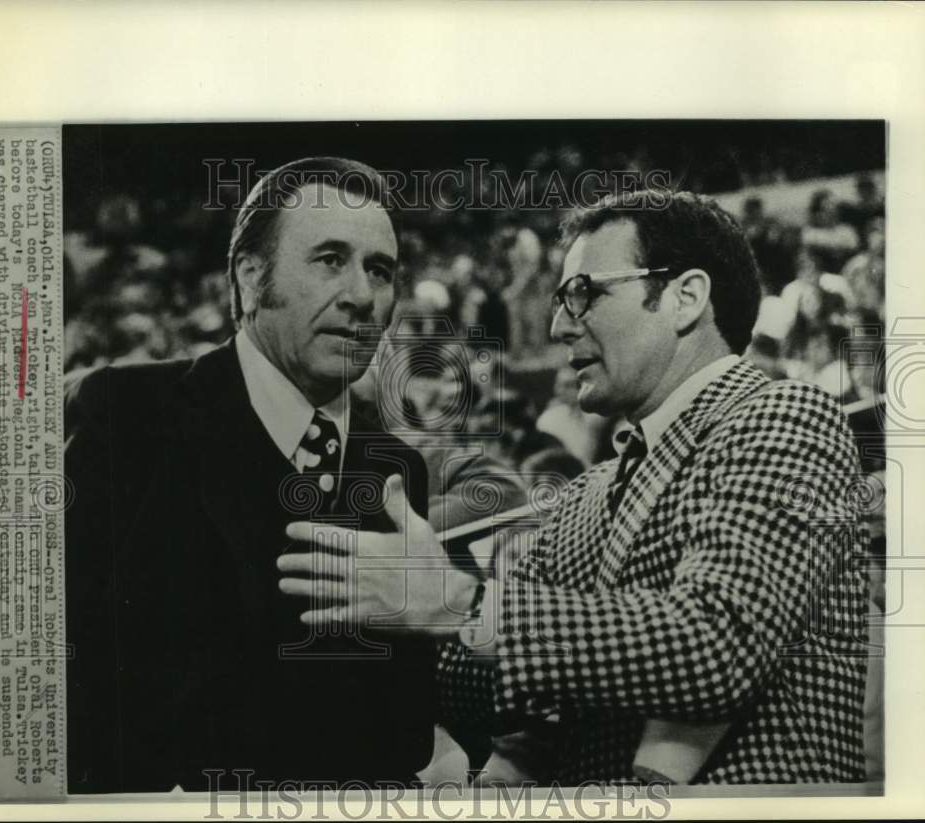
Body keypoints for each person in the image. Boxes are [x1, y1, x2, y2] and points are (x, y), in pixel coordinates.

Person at [278, 190, 869, 784]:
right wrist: (375, 602)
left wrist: (461, 603)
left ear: (685, 298)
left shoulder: (787, 415)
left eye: (584, 293)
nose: (560, 325)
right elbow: (492, 698)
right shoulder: (586, 493)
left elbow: (717, 644)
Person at [64, 157, 437, 792]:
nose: (361, 294)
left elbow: (403, 737)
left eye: (380, 269)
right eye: (329, 259)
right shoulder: (125, 414)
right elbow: (58, 677)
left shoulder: (398, 470)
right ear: (249, 278)